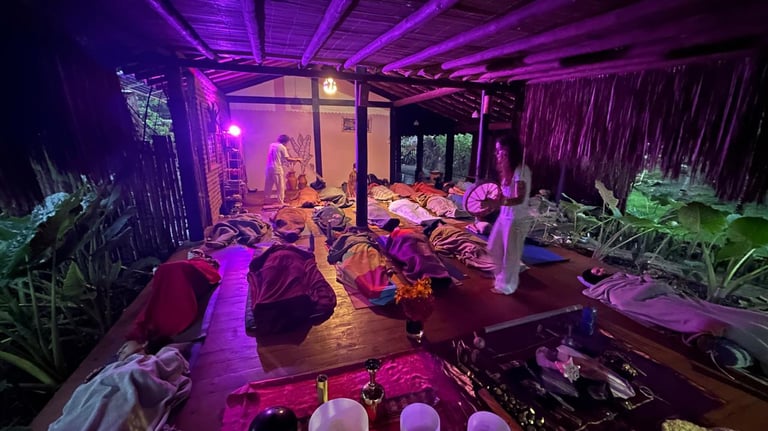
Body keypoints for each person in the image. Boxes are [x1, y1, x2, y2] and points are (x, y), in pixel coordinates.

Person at [487, 134, 533, 295]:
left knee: (510, 254)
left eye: (499, 150)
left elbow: (519, 198)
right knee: (493, 246)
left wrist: (498, 203)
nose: (497, 154)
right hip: (505, 216)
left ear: (507, 151)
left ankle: (506, 285)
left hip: (516, 218)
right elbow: (505, 194)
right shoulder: (508, 171)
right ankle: (502, 276)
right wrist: (492, 202)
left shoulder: (521, 170)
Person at [264, 135, 300, 205]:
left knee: (268, 185)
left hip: (269, 168)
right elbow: (288, 159)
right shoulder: (282, 147)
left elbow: (277, 152)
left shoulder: (272, 145)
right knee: (280, 186)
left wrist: (285, 149)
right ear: (285, 142)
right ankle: (281, 202)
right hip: (277, 169)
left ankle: (266, 199)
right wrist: (297, 159)